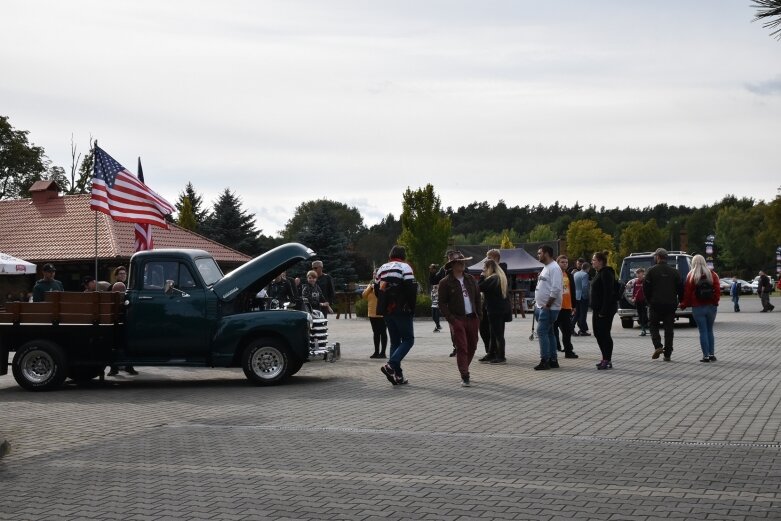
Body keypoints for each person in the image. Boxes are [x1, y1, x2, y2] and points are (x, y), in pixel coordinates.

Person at [438, 251, 481, 386]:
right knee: (462, 347)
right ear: (452, 265)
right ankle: (465, 375)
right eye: (459, 262)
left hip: (472, 318)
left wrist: (479, 316)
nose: (462, 264)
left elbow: (478, 298)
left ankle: (464, 368)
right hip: (457, 319)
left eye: (463, 261)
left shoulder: (471, 279)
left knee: (473, 346)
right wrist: (452, 320)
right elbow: (441, 304)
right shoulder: (445, 282)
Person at [376, 245, 417, 385]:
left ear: (390, 254)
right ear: (403, 255)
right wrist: (412, 308)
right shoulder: (405, 267)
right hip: (401, 309)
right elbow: (411, 289)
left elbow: (377, 290)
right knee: (408, 340)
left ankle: (397, 376)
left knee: (395, 341)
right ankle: (391, 365)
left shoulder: (382, 268)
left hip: (387, 310)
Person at [643, 248, 683, 362]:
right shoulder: (675, 272)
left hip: (655, 304)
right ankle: (668, 354)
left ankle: (658, 346)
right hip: (670, 304)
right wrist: (680, 300)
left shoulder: (651, 271)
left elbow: (645, 288)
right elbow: (681, 288)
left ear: (658, 257)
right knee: (669, 329)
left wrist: (649, 300)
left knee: (653, 325)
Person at [680, 254, 720, 362]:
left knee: (702, 331)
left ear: (693, 263)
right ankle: (712, 354)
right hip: (711, 306)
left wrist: (683, 305)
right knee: (710, 330)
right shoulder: (712, 274)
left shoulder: (691, 275)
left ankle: (705, 356)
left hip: (697, 307)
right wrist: (715, 302)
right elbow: (717, 290)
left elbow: (687, 293)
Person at [533, 245, 562, 371]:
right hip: (542, 307)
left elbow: (556, 289)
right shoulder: (546, 267)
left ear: (546, 253)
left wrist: (548, 305)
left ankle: (544, 360)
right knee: (549, 333)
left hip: (548, 308)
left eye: (539, 253)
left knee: (541, 332)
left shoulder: (554, 268)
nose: (538, 255)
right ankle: (553, 359)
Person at [590, 251, 618, 370]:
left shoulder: (606, 273)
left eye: (594, 260)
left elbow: (608, 293)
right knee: (598, 333)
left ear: (600, 261)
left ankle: (607, 360)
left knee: (604, 334)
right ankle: (604, 358)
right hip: (597, 309)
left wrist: (604, 310)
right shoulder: (598, 273)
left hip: (604, 310)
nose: (592, 262)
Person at [478, 258, 508, 364]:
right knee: (493, 333)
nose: (483, 271)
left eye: (484, 268)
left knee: (498, 334)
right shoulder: (498, 277)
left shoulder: (493, 278)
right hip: (496, 309)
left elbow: (480, 287)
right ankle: (491, 354)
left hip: (494, 309)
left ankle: (501, 356)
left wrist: (481, 276)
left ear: (489, 268)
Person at [554, 255, 578, 359]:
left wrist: (574, 305)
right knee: (553, 329)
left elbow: (573, 290)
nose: (565, 264)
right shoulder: (554, 274)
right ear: (557, 263)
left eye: (566, 262)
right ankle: (555, 348)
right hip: (556, 307)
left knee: (567, 330)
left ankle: (568, 351)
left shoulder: (569, 275)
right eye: (562, 262)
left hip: (567, 306)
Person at [362, 276, 388, 359]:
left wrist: (377, 287)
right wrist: (370, 287)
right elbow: (364, 295)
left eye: (376, 274)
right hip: (372, 313)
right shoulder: (370, 285)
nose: (374, 275)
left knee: (383, 332)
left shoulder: (384, 283)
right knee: (376, 333)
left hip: (381, 313)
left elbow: (383, 295)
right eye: (373, 274)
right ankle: (376, 352)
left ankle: (383, 353)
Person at [572, 262, 591, 336]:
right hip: (583, 296)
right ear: (588, 268)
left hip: (576, 296)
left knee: (577, 314)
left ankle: (571, 327)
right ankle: (582, 330)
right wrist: (587, 296)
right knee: (583, 314)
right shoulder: (585, 275)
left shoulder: (576, 274)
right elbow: (585, 287)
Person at [629, 267, 648, 336]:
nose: (639, 275)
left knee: (645, 315)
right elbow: (634, 291)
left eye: (640, 274)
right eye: (637, 274)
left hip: (644, 301)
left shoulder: (645, 281)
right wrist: (633, 298)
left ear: (643, 274)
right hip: (638, 301)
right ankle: (643, 330)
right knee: (640, 315)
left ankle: (647, 328)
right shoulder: (636, 282)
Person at [429, 264, 442, 333]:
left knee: (436, 312)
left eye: (432, 269)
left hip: (438, 294)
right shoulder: (431, 275)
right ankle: (438, 324)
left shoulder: (438, 275)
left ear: (435, 269)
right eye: (430, 269)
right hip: (434, 294)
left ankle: (438, 325)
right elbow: (431, 282)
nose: (430, 270)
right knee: (433, 314)